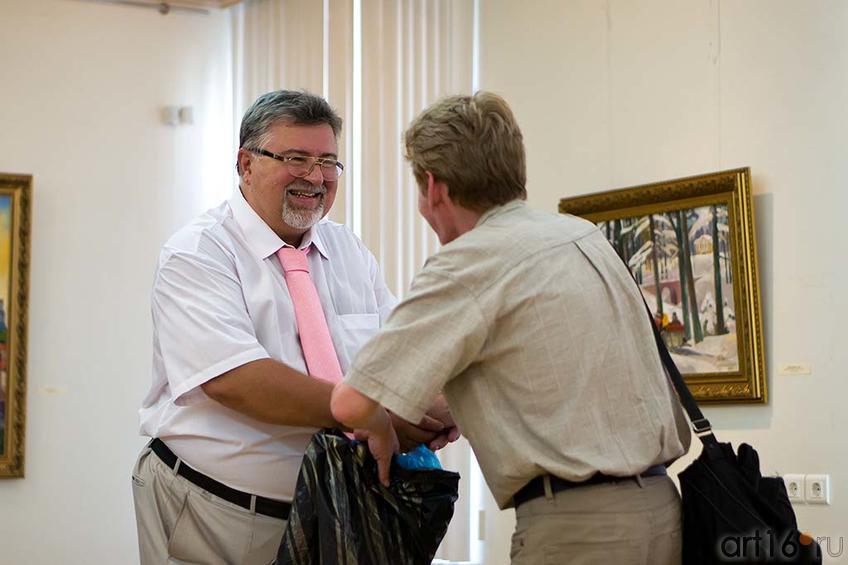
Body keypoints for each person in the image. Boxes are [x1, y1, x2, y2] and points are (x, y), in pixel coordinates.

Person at [331, 92, 692, 565]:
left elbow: (350, 402)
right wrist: (469, 404)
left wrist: (379, 426)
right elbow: (561, 372)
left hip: (578, 531)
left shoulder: (468, 262)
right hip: (664, 511)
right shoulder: (581, 236)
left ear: (434, 187)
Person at [132, 90, 454, 565]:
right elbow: (238, 380)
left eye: (328, 161)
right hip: (218, 511)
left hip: (339, 510)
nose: (315, 176)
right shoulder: (198, 253)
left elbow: (400, 358)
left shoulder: (348, 251)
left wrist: (442, 408)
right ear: (245, 164)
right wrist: (368, 414)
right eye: (295, 158)